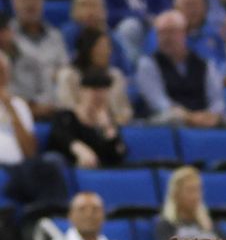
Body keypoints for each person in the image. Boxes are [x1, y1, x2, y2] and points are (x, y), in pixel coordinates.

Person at [135, 10, 226, 128]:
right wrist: (189, 117)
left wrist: (211, 115)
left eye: (171, 32)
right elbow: (159, 103)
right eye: (161, 33)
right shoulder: (148, 65)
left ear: (184, 33)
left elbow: (217, 101)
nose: (166, 38)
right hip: (173, 121)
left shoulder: (204, 64)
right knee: (170, 118)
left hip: (205, 117)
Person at [0, 52, 69, 207]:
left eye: (2, 72)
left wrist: (10, 108)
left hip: (21, 166)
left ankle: (53, 215)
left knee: (52, 164)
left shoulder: (18, 105)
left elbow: (30, 151)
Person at [9, 0, 69, 119]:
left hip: (53, 104)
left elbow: (63, 69)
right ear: (14, 3)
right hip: (18, 103)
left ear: (43, 2)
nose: (30, 3)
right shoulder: (6, 37)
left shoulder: (55, 36)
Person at [47, 70, 127, 168]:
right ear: (82, 91)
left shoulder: (108, 123)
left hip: (100, 174)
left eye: (103, 91)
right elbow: (59, 137)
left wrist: (107, 128)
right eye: (94, 91)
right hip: (70, 169)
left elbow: (117, 156)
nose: (99, 95)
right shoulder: (66, 117)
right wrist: (79, 148)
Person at [55, 28, 132, 125]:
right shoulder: (68, 75)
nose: (108, 52)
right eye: (102, 47)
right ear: (88, 49)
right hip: (77, 128)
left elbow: (125, 111)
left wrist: (110, 122)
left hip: (111, 127)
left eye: (108, 47)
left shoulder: (115, 76)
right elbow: (66, 108)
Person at [153, 166, 225, 240]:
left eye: (198, 190)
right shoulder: (165, 225)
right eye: (190, 190)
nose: (196, 196)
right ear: (176, 194)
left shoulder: (209, 223)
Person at [43, 191, 129, 240]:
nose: (89, 215)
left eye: (95, 210)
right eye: (82, 209)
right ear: (70, 216)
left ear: (104, 216)